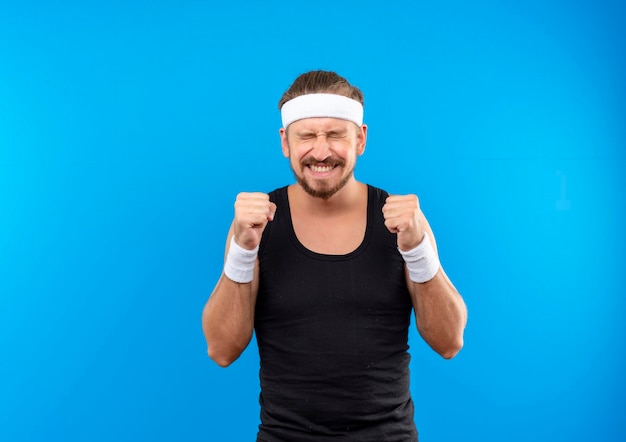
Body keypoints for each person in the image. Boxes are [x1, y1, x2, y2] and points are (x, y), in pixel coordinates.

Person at [202, 70, 468, 441]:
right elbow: (221, 349)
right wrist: (243, 251)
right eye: (307, 136)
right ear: (285, 142)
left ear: (360, 138)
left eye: (335, 135)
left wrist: (419, 251)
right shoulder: (257, 225)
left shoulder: (403, 222)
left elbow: (449, 342)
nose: (321, 151)